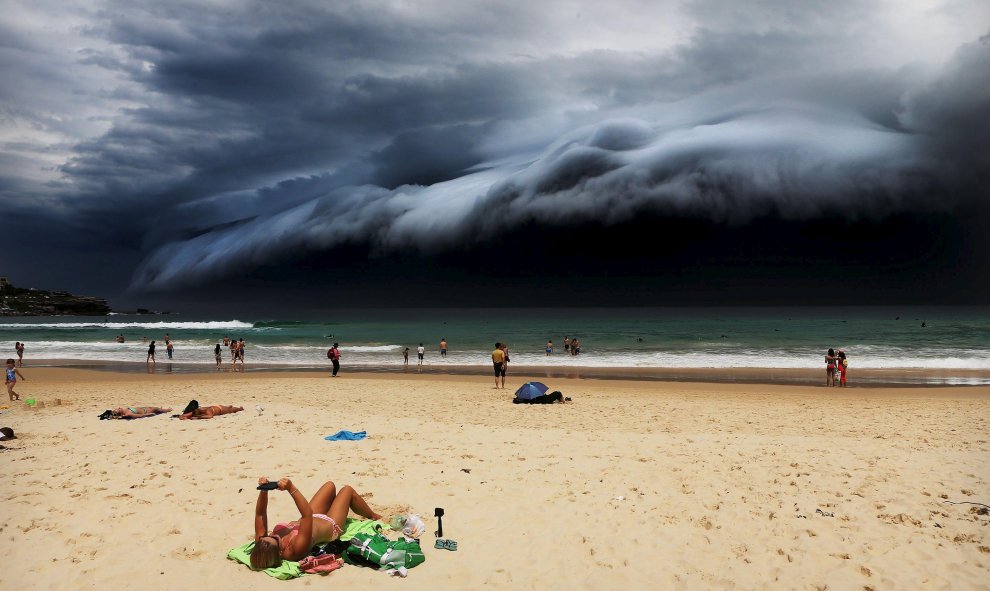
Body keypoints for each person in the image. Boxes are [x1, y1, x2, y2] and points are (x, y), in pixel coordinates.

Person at [250, 477, 382, 569]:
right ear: (279, 553)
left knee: (329, 485)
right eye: (275, 539)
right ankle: (373, 515)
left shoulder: (263, 544)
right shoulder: (295, 548)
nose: (274, 535)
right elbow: (307, 516)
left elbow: (260, 514)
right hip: (330, 524)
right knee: (347, 490)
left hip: (313, 515)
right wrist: (291, 489)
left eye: (270, 535)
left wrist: (263, 490)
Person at [179, 404, 245, 419]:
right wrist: (184, 416)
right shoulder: (197, 411)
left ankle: (240, 409)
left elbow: (210, 416)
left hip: (222, 409)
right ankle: (232, 407)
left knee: (232, 409)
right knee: (230, 408)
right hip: (218, 407)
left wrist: (198, 418)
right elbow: (182, 416)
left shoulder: (207, 410)